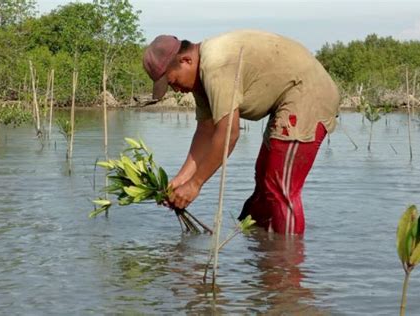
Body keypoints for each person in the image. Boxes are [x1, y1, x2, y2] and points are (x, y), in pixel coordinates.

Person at [142, 29, 340, 235]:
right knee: (264, 182)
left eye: (173, 81)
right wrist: (180, 181)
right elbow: (206, 132)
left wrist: (195, 185)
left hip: (308, 93)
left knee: (280, 188)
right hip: (289, 98)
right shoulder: (200, 79)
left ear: (186, 61)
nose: (176, 90)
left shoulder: (216, 65)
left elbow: (229, 133)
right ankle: (265, 254)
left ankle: (286, 263)